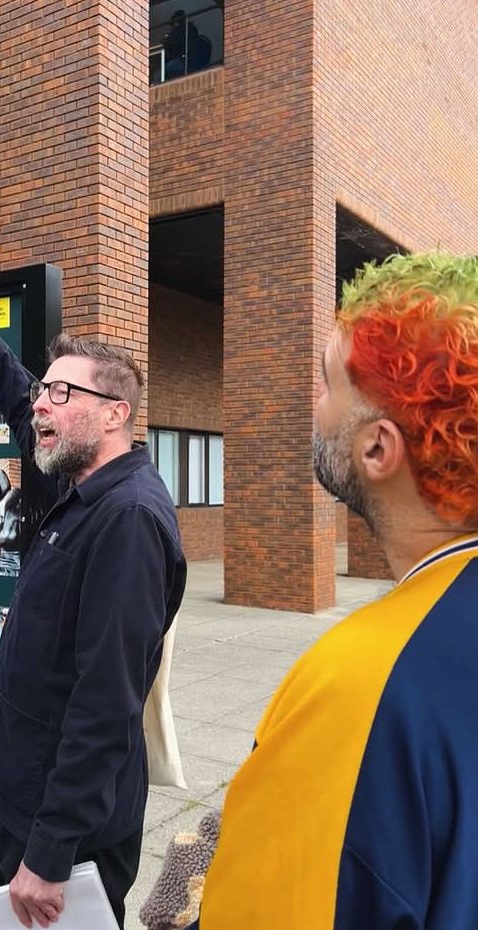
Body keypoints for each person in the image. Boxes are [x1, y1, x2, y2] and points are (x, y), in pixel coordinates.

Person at [185, 252, 478, 930]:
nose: (311, 405)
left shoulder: (360, 682)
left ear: (379, 449)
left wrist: (194, 898)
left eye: (325, 382)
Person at [0, 232, 186, 930]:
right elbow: (15, 402)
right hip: (30, 808)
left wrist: (49, 850)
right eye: (44, 389)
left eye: (61, 393)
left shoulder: (127, 521)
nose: (40, 404)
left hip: (66, 840)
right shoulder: (78, 485)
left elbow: (105, 700)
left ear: (114, 414)